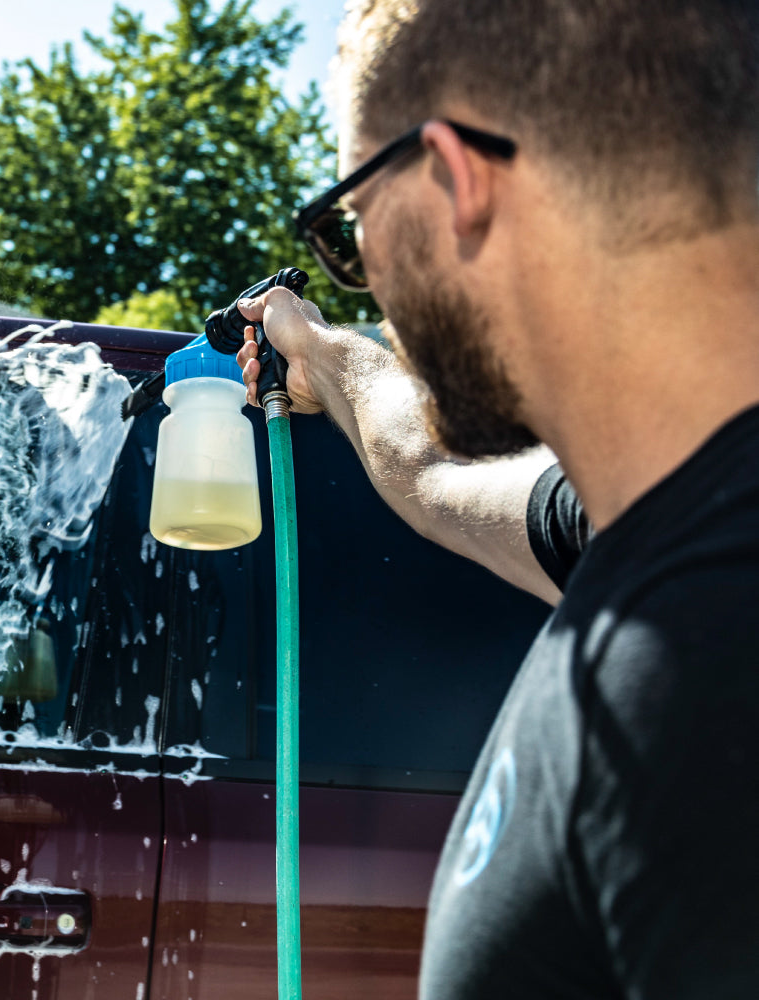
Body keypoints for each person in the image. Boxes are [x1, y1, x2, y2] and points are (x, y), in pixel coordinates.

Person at [234, 0, 759, 996]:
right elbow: (430, 472)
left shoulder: (709, 652)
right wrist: (321, 356)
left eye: (352, 228)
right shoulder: (642, 534)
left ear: (451, 177)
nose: (369, 281)